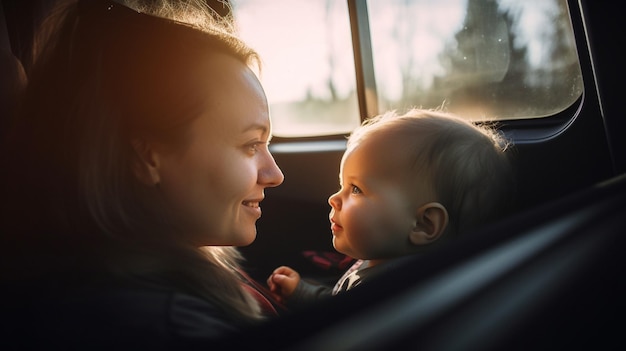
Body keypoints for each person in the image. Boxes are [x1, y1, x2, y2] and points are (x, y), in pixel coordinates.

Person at [0, 0, 284, 348]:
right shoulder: (171, 325)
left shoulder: (146, 279)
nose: (275, 174)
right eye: (251, 145)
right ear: (146, 156)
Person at [266, 108, 515, 308]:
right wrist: (302, 292)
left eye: (355, 189)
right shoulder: (379, 258)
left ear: (423, 224)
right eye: (342, 185)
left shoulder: (390, 299)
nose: (334, 198)